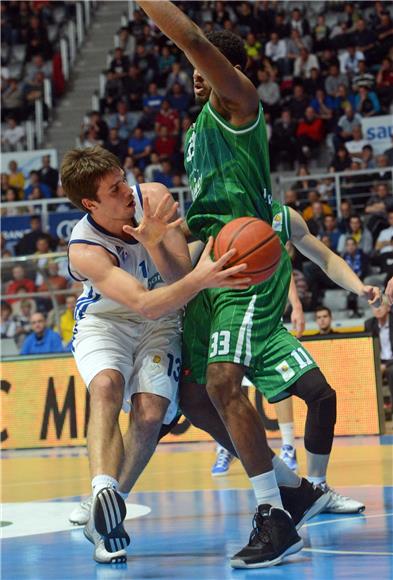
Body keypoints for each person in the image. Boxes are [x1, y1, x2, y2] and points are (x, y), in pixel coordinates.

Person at [137, 2, 306, 569]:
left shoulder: (240, 106)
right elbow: (201, 217)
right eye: (193, 71)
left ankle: (274, 518)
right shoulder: (194, 133)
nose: (194, 75)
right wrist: (159, 235)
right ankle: (292, 489)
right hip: (209, 264)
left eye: (203, 67)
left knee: (223, 380)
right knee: (192, 395)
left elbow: (190, 39)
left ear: (225, 71)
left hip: (244, 265)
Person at [61, 145, 249, 564]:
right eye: (114, 190)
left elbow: (178, 278)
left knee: (149, 415)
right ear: (91, 203)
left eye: (124, 178)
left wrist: (157, 243)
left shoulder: (154, 198)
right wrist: (203, 279)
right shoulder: (84, 249)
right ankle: (102, 491)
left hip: (161, 321)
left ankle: (106, 516)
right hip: (108, 321)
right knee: (106, 386)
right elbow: (145, 302)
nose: (127, 191)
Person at [365, 301, 393, 407]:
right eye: (375, 306)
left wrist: (385, 365)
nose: (378, 308)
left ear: (388, 308)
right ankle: (371, 408)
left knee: (391, 371)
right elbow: (367, 349)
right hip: (377, 361)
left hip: (390, 362)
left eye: (380, 305)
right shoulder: (369, 324)